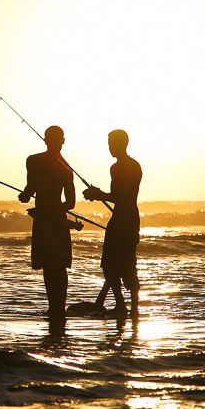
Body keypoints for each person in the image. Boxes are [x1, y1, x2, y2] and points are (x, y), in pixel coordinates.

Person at [18, 126, 75, 329]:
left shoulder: (36, 161)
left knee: (54, 266)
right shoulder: (61, 167)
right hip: (51, 219)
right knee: (54, 266)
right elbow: (69, 203)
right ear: (62, 141)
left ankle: (56, 308)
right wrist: (27, 196)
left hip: (48, 219)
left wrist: (41, 208)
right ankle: (56, 307)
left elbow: (70, 202)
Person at [83, 129, 142, 319]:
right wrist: (99, 194)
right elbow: (115, 196)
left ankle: (133, 308)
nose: (110, 148)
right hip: (117, 219)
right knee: (109, 265)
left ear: (123, 144)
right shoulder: (114, 168)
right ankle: (121, 306)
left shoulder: (133, 167)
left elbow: (123, 197)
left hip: (128, 220)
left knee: (127, 264)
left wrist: (98, 195)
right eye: (108, 144)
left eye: (112, 144)